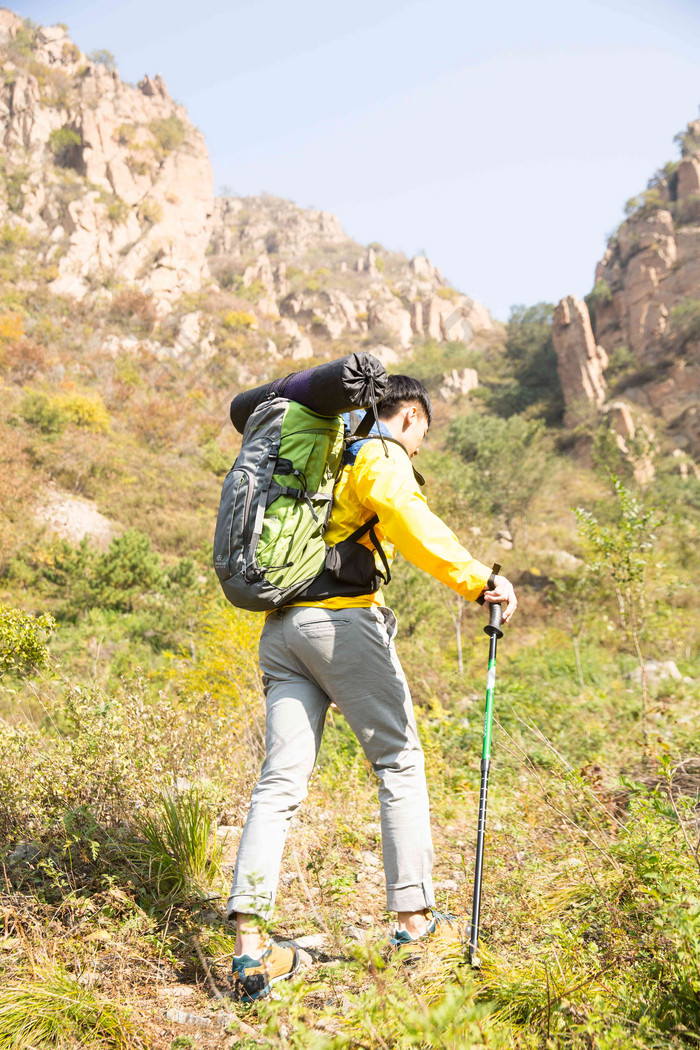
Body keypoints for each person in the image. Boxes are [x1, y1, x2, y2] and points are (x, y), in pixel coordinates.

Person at [228, 375, 518, 1001]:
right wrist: (477, 580)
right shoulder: (379, 455)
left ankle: (250, 951)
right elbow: (407, 517)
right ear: (409, 417)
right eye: (422, 438)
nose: (418, 452)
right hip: (339, 623)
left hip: (282, 630)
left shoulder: (328, 456)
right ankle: (414, 925)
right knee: (400, 761)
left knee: (278, 783)